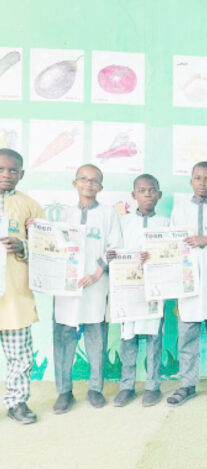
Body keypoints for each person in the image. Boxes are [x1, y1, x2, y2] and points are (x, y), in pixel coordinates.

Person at [52, 164, 122, 413]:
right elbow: (54, 245)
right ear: (75, 183)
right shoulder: (64, 214)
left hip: (95, 284)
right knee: (63, 337)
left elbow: (114, 248)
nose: (88, 184)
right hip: (67, 287)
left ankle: (95, 389)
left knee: (96, 338)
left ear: (101, 187)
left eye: (94, 181)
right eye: (84, 179)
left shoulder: (107, 214)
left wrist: (97, 272)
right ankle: (64, 391)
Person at [167, 161, 207, 407]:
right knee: (187, 336)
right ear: (190, 181)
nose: (202, 183)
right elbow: (172, 246)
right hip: (189, 281)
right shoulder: (179, 210)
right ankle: (187, 384)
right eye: (197, 178)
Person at [112, 174, 168, 408]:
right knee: (129, 338)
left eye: (152, 190)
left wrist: (155, 257)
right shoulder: (123, 222)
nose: (147, 194)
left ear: (159, 195)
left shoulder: (165, 223)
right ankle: (127, 386)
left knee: (154, 336)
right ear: (134, 195)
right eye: (142, 191)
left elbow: (172, 253)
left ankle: (153, 386)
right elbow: (114, 250)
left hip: (155, 287)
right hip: (128, 287)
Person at [0, 149, 44, 424]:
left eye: (13, 170)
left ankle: (17, 403)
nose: (6, 175)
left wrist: (24, 246)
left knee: (20, 355)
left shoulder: (29, 206)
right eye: (1, 169)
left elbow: (48, 248)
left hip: (15, 295)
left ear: (22, 174)